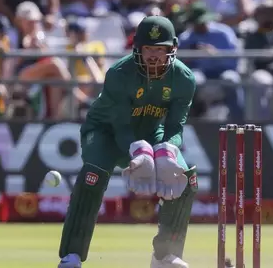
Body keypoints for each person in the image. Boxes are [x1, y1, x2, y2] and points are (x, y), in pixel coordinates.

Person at [58, 16, 197, 268]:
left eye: (159, 49)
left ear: (171, 49)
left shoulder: (184, 78)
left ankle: (165, 255)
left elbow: (175, 126)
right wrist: (139, 152)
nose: (154, 56)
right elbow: (121, 126)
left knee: (185, 179)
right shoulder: (120, 74)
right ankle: (72, 255)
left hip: (150, 130)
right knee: (94, 175)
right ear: (137, 49)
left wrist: (167, 150)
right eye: (148, 49)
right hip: (105, 132)